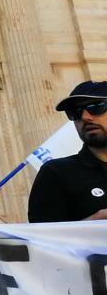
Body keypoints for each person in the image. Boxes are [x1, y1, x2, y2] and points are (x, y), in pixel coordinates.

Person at [28, 80, 107, 222]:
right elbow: (41, 239)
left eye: (96, 107)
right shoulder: (56, 173)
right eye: (75, 113)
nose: (85, 117)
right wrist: (92, 224)